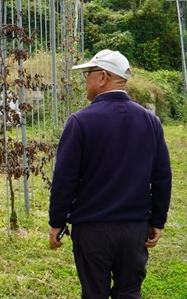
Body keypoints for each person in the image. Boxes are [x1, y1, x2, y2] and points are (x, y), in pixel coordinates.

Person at [48, 49, 172, 299]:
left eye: (88, 74)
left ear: (103, 77)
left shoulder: (80, 121)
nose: (85, 81)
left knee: (94, 293)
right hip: (134, 229)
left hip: (92, 230)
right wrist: (157, 221)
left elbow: (65, 179)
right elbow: (162, 178)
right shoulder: (150, 122)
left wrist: (57, 222)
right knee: (129, 291)